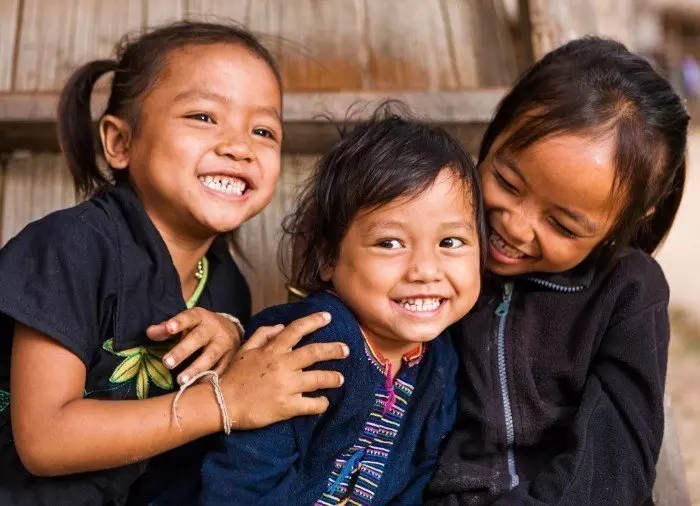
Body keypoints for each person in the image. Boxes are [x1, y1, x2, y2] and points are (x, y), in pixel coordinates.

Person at [0, 21, 347, 506]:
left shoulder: (226, 287)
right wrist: (224, 401)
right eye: (204, 117)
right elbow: (45, 440)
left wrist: (237, 341)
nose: (239, 146)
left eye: (263, 130)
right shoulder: (70, 246)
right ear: (120, 143)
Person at [426, 37, 689, 505]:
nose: (516, 226)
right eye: (507, 182)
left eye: (562, 225)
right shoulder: (430, 246)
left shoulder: (627, 290)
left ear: (622, 224)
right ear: (494, 134)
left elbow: (615, 467)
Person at [194, 112, 487, 505]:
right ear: (327, 258)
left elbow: (418, 478)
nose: (426, 271)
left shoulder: (441, 358)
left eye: (450, 242)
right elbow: (241, 479)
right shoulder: (311, 342)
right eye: (390, 243)